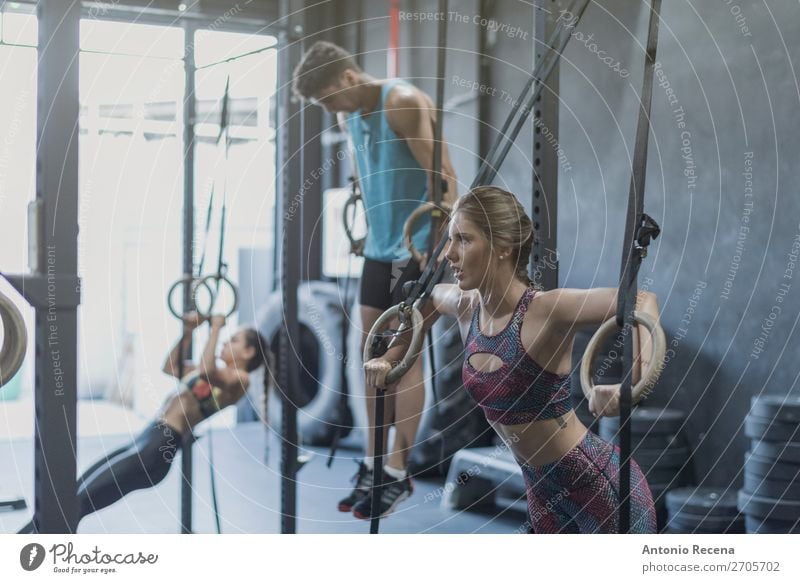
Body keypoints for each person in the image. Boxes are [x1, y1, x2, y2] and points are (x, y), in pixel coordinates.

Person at [364, 186, 658, 533]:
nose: (448, 255)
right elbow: (424, 303)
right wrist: (392, 358)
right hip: (540, 493)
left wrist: (631, 388)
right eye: (449, 240)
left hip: (599, 489)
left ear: (503, 247)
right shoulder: (465, 306)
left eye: (463, 240)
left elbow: (642, 302)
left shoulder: (547, 310)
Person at [293, 41, 458, 519]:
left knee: (401, 358)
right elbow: (370, 177)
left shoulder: (402, 103)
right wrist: (366, 228)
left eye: (328, 99)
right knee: (370, 354)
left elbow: (444, 179)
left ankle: (397, 470)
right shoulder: (349, 118)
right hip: (381, 248)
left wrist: (437, 248)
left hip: (418, 247)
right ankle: (373, 462)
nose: (328, 110)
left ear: (347, 79)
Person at [19, 313, 270, 533]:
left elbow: (207, 371)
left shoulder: (241, 379)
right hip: (147, 437)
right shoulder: (212, 371)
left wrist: (215, 327)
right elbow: (170, 366)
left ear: (248, 352)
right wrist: (188, 333)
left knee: (77, 503)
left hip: (158, 450)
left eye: (234, 340)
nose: (226, 341)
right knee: (70, 495)